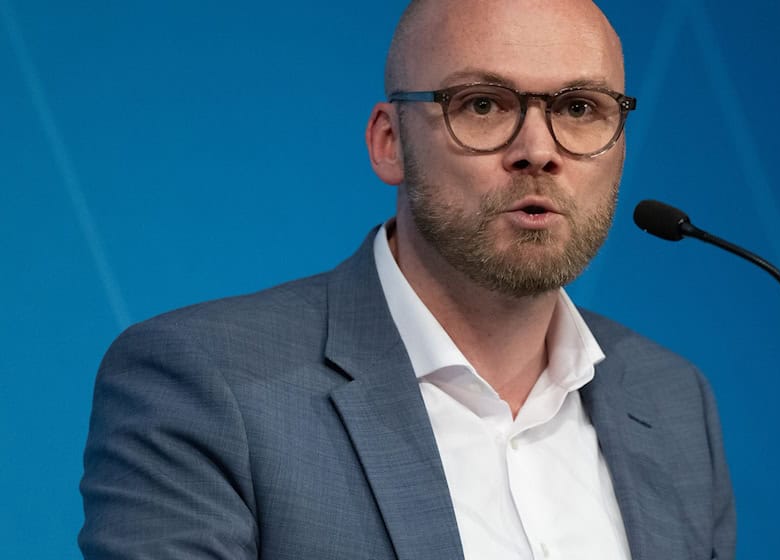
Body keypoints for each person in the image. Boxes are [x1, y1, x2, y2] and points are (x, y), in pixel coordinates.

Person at [79, 0, 736, 558]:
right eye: (483, 104)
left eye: (580, 108)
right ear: (389, 142)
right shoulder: (206, 383)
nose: (539, 149)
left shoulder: (672, 400)